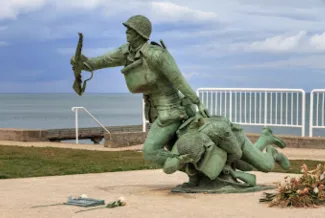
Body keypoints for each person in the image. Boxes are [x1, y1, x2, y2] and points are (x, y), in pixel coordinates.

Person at [70, 15, 208, 166]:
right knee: (174, 150)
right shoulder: (126, 52)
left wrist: (197, 102)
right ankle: (195, 173)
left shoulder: (157, 55)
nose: (126, 32)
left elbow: (178, 80)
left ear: (139, 33)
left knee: (151, 152)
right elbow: (100, 62)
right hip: (152, 111)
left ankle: (190, 168)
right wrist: (83, 63)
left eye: (130, 29)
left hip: (170, 110)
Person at [163, 114, 291, 187]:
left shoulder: (217, 131)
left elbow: (236, 153)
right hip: (219, 147)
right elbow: (167, 168)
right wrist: (179, 160)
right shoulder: (184, 141)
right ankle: (265, 138)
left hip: (235, 140)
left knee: (264, 166)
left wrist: (226, 165)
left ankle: (272, 153)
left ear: (205, 146)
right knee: (246, 166)